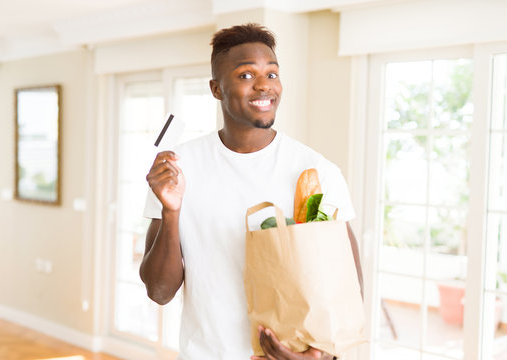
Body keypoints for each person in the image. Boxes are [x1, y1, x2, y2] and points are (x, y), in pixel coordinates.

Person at [140, 23, 363, 360]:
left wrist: (322, 355)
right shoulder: (175, 171)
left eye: (272, 74)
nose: (264, 86)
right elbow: (159, 291)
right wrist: (171, 212)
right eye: (245, 75)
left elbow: (346, 286)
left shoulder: (316, 172)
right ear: (216, 89)